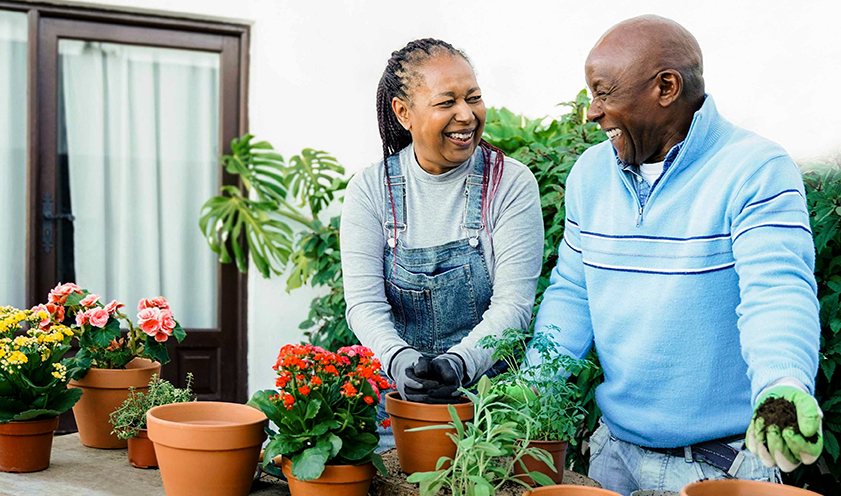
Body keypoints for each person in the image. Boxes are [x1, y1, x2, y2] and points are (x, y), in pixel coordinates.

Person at [529, 15, 823, 495]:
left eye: (603, 92)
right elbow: (573, 292)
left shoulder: (754, 169)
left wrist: (781, 388)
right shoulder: (590, 174)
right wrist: (533, 387)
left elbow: (777, 291)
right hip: (615, 458)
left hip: (721, 469)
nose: (592, 111)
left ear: (666, 86)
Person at [340, 39, 543, 445]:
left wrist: (459, 363)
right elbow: (363, 304)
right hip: (398, 402)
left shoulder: (509, 183)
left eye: (474, 98)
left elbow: (514, 305)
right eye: (446, 102)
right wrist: (399, 360)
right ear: (403, 113)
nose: (466, 115)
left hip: (487, 404)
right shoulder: (370, 189)